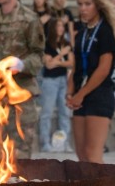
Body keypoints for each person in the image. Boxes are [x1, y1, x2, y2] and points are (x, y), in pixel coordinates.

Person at [0, 0, 45, 159]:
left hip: (21, 94)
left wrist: (22, 64)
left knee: (20, 151)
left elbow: (39, 56)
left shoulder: (29, 20)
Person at [67, 0, 115, 164]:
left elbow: (104, 69)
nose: (82, 9)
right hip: (81, 96)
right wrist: (70, 93)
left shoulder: (105, 31)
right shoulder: (82, 32)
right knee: (82, 155)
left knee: (93, 156)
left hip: (99, 95)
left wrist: (80, 94)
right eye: (80, 4)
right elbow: (76, 67)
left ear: (98, 5)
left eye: (87, 4)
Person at [39, 18, 74, 152]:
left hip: (63, 80)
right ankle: (45, 143)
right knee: (46, 112)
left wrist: (57, 61)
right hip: (50, 81)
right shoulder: (47, 44)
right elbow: (48, 64)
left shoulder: (66, 43)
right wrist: (61, 54)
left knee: (64, 112)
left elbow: (71, 63)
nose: (61, 28)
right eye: (58, 25)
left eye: (62, 25)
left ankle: (64, 142)